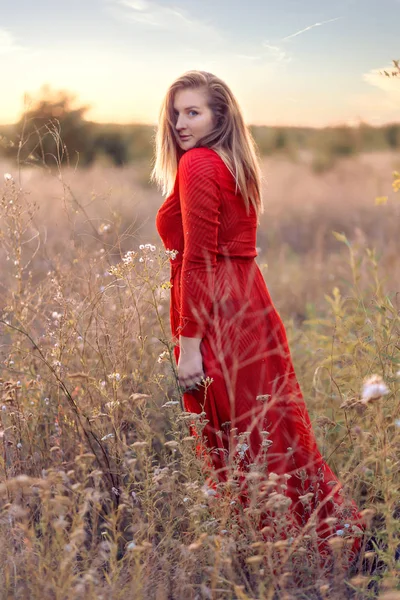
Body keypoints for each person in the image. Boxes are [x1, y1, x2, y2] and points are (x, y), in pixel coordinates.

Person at [153, 70, 364, 572]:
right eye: (176, 112)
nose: (180, 123)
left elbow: (201, 260)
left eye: (194, 112)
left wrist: (187, 346)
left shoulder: (201, 164)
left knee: (237, 439)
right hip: (249, 303)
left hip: (219, 316)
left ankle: (282, 555)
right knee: (274, 431)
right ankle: (337, 543)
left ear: (219, 116)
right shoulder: (230, 162)